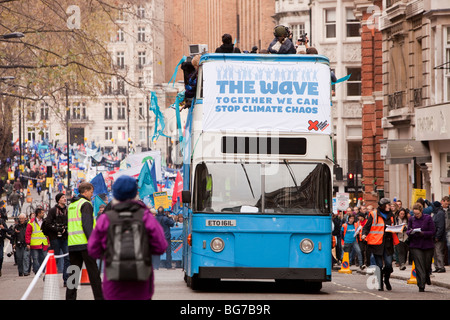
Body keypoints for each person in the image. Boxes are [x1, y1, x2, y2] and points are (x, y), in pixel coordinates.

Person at [88, 175, 167, 300]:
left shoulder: (106, 219)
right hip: (141, 283)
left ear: (115, 193)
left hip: (114, 283)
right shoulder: (146, 217)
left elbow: (93, 249)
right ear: (135, 192)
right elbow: (161, 247)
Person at [66, 182, 103, 300]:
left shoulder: (72, 205)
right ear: (85, 192)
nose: (92, 195)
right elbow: (87, 225)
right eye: (91, 192)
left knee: (74, 275)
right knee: (94, 275)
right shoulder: (86, 204)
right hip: (85, 245)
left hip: (73, 244)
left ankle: (70, 298)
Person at [361, 198, 399, 291]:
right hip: (376, 243)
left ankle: (386, 279)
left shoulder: (391, 215)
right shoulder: (373, 214)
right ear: (382, 206)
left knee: (389, 264)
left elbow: (393, 227)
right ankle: (380, 284)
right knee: (379, 265)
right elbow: (367, 227)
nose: (389, 206)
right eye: (387, 205)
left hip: (388, 243)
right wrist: (364, 234)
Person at [407, 202, 436, 292]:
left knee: (427, 265)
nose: (416, 216)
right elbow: (408, 231)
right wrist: (411, 231)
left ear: (421, 211)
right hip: (415, 245)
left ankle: (426, 276)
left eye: (418, 214)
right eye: (415, 214)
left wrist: (423, 233)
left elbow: (432, 231)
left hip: (427, 245)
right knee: (419, 266)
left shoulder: (428, 218)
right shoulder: (411, 219)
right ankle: (421, 285)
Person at [44, 192, 70, 286]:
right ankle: (49, 277)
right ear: (58, 200)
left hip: (65, 237)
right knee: (56, 258)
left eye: (65, 197)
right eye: (63, 197)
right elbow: (47, 224)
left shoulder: (68, 210)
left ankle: (66, 280)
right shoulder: (53, 210)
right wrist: (58, 229)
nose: (65, 199)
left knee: (68, 258)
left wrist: (65, 229)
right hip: (55, 238)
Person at [25, 207, 48, 274]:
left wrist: (48, 241)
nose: (44, 214)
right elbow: (28, 233)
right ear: (38, 214)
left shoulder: (45, 221)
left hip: (43, 243)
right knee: (35, 258)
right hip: (34, 244)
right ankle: (37, 271)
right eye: (42, 213)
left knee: (44, 257)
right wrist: (28, 243)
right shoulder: (31, 222)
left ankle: (44, 270)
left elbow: (47, 232)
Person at [431, 201, 446, 273]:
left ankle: (441, 267)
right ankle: (437, 267)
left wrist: (437, 236)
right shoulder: (435, 213)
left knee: (438, 251)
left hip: (439, 237)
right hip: (434, 236)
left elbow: (441, 226)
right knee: (435, 253)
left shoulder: (440, 213)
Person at [442, 196, 450, 265]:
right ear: (442, 202)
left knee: (448, 245)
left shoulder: (449, 210)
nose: (447, 205)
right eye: (446, 203)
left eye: (448, 204)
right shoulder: (440, 210)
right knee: (442, 246)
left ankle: (448, 261)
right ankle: (443, 261)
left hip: (448, 229)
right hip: (442, 229)